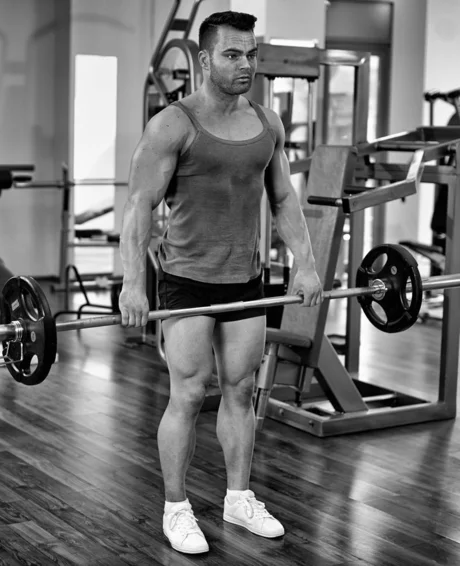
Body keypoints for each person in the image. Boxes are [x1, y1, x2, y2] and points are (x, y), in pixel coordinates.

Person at [119, 10, 323, 555]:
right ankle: (177, 508)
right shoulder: (173, 124)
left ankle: (238, 498)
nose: (245, 65)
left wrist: (304, 263)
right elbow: (139, 206)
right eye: (233, 55)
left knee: (239, 390)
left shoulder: (267, 123)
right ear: (205, 59)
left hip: (246, 279)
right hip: (187, 280)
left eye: (251, 54)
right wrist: (133, 284)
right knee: (188, 392)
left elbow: (283, 200)